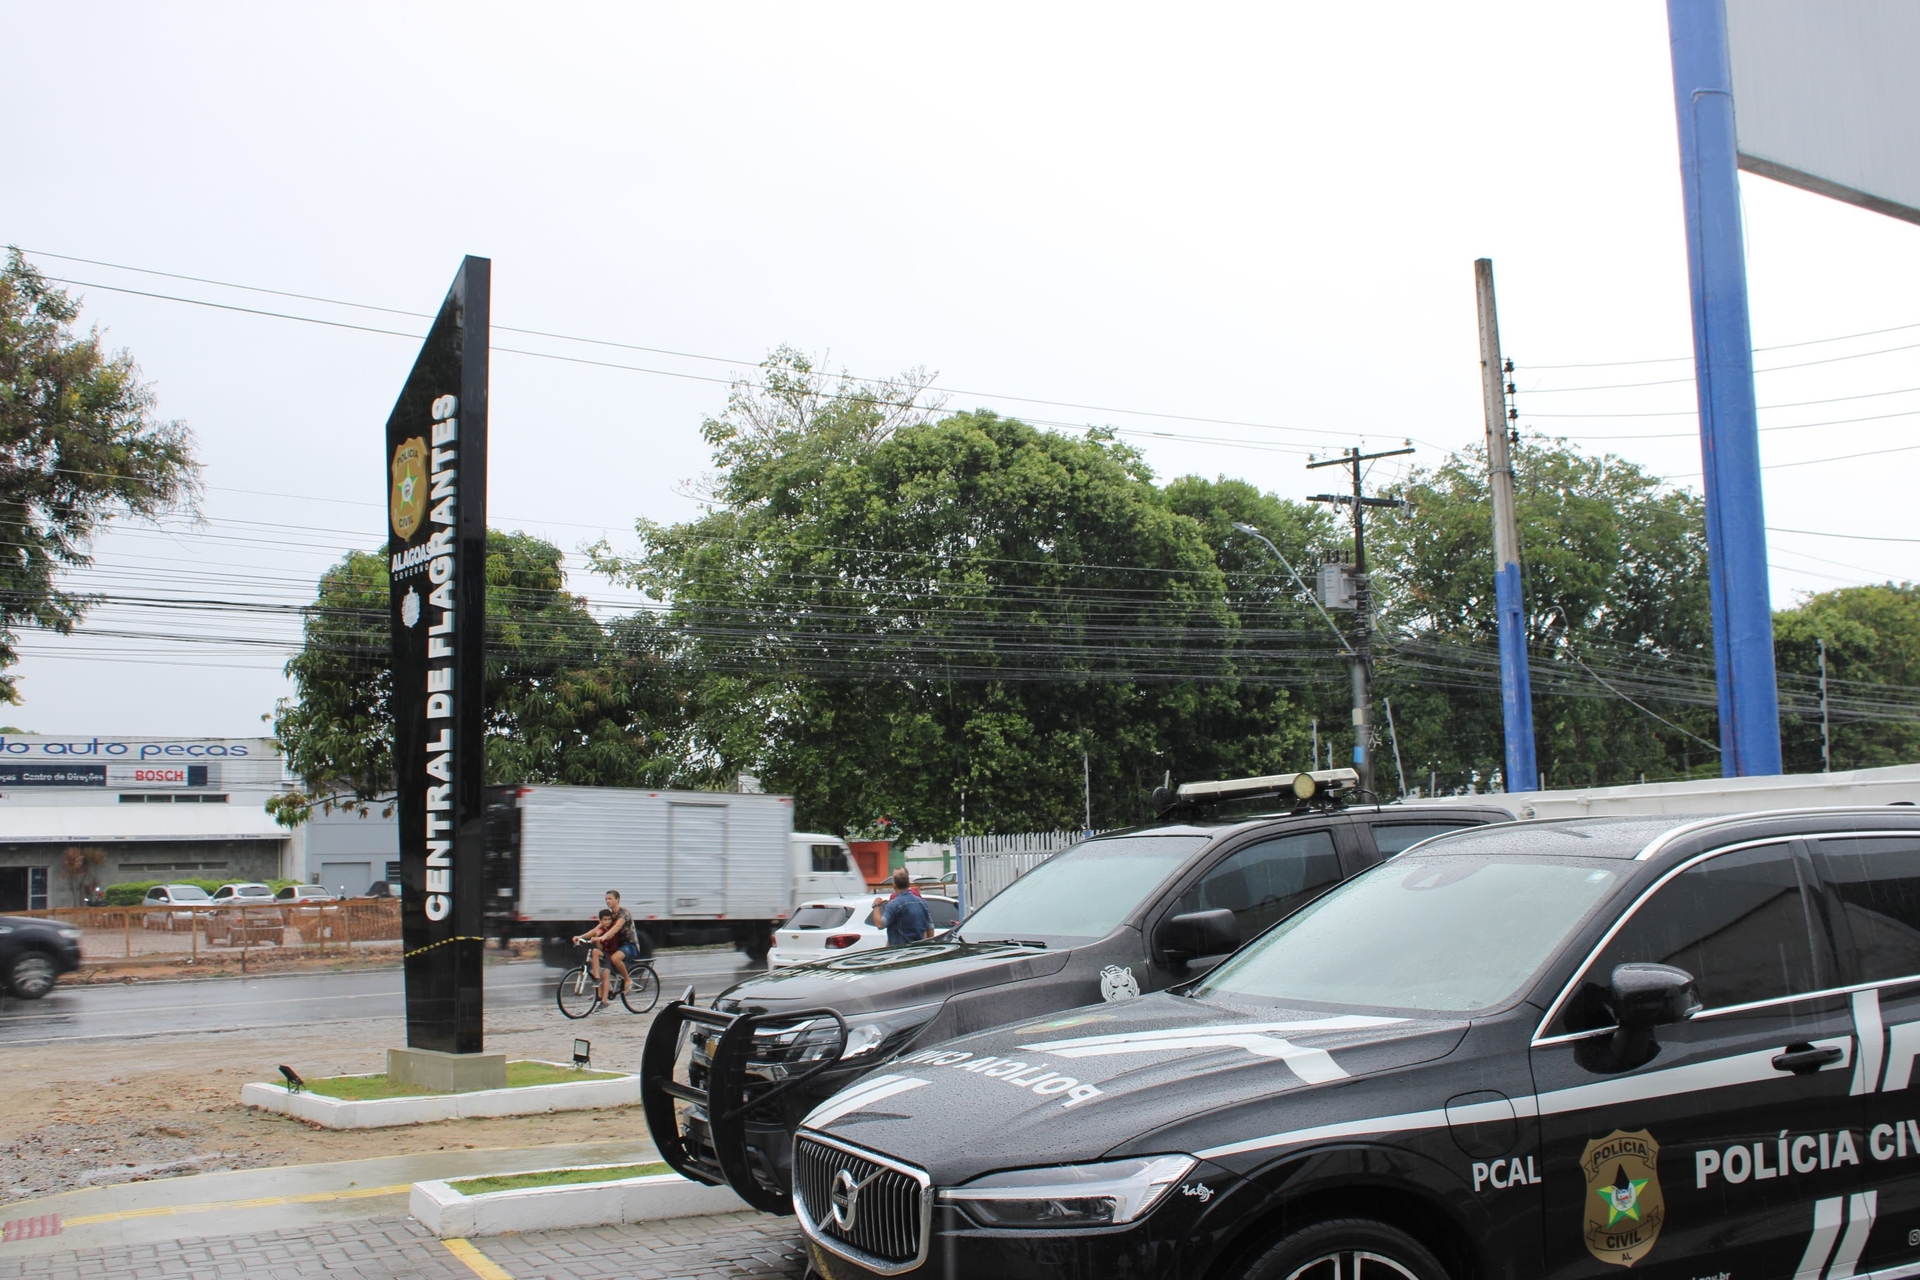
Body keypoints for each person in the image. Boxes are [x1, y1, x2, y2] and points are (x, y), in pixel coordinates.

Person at [573, 890, 640, 1002]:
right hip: (617, 945)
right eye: (606, 899)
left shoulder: (624, 913)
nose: (607, 901)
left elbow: (617, 927)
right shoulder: (608, 915)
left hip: (630, 944)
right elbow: (595, 930)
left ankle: (628, 980)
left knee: (615, 958)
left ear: (617, 899)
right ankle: (603, 990)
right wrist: (580, 937)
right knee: (596, 962)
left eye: (610, 898)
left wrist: (604, 937)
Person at [871, 869, 933, 946]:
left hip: (900, 953)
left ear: (894, 885)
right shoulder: (923, 903)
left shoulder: (894, 904)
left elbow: (880, 924)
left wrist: (876, 906)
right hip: (919, 951)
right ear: (909, 884)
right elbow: (930, 928)